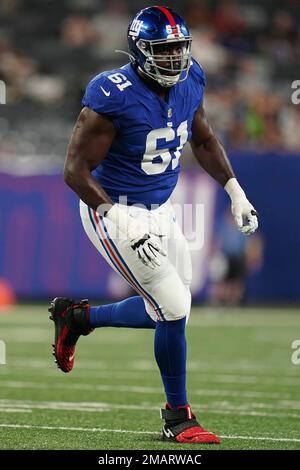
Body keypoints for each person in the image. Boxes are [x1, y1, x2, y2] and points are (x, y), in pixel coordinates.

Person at [49, 5, 258, 444]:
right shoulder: (112, 93)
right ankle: (177, 417)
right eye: (164, 51)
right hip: (111, 208)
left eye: (180, 48)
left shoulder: (191, 80)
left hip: (161, 208)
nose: (175, 59)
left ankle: (79, 317)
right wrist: (119, 218)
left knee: (170, 307)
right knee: (173, 307)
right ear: (140, 51)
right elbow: (74, 172)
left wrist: (234, 189)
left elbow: (202, 138)